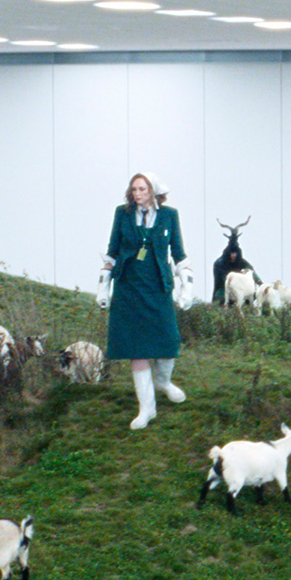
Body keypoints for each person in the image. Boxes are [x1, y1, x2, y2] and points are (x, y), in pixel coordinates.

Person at [100, 172, 192, 429]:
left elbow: (180, 255)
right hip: (128, 288)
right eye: (134, 190)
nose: (137, 194)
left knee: (168, 339)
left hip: (158, 287)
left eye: (142, 189)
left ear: (153, 190)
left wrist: (187, 288)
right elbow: (112, 252)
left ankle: (163, 382)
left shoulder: (169, 216)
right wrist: (103, 288)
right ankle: (147, 408)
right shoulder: (123, 214)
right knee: (135, 347)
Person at [210, 223, 261, 306]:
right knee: (219, 299)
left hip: (241, 289)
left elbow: (251, 272)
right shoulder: (219, 264)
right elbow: (221, 280)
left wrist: (260, 283)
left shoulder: (243, 263)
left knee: (252, 294)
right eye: (231, 253)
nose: (233, 255)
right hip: (224, 289)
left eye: (235, 253)